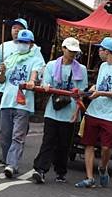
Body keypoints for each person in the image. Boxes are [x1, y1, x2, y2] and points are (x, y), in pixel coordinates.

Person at [75, 37, 112, 188]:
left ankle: (102, 167)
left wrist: (101, 93)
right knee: (88, 144)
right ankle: (89, 177)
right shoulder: (102, 66)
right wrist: (93, 89)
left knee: (106, 147)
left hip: (111, 114)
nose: (98, 52)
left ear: (106, 51)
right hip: (94, 111)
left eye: (100, 49)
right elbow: (99, 85)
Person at [32, 37, 87, 184]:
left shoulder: (81, 69)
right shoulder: (52, 65)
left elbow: (81, 92)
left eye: (75, 52)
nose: (72, 54)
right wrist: (46, 86)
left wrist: (77, 112)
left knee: (64, 144)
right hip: (53, 109)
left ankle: (61, 171)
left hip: (70, 110)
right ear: (63, 49)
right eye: (70, 50)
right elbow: (46, 82)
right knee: (48, 141)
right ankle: (41, 169)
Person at [0, 29, 45, 178]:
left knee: (17, 136)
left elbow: (35, 75)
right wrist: (2, 71)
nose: (22, 45)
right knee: (4, 136)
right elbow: (1, 80)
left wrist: (32, 81)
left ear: (31, 44)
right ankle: (8, 161)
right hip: (7, 101)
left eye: (25, 42)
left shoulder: (36, 59)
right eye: (20, 42)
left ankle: (12, 164)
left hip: (23, 104)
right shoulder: (11, 57)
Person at [0, 18, 28, 162]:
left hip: (18, 92)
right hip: (2, 89)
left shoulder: (31, 49)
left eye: (20, 28)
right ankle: (5, 151)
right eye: (14, 28)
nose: (16, 30)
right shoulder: (4, 46)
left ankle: (11, 155)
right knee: (1, 121)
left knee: (15, 125)